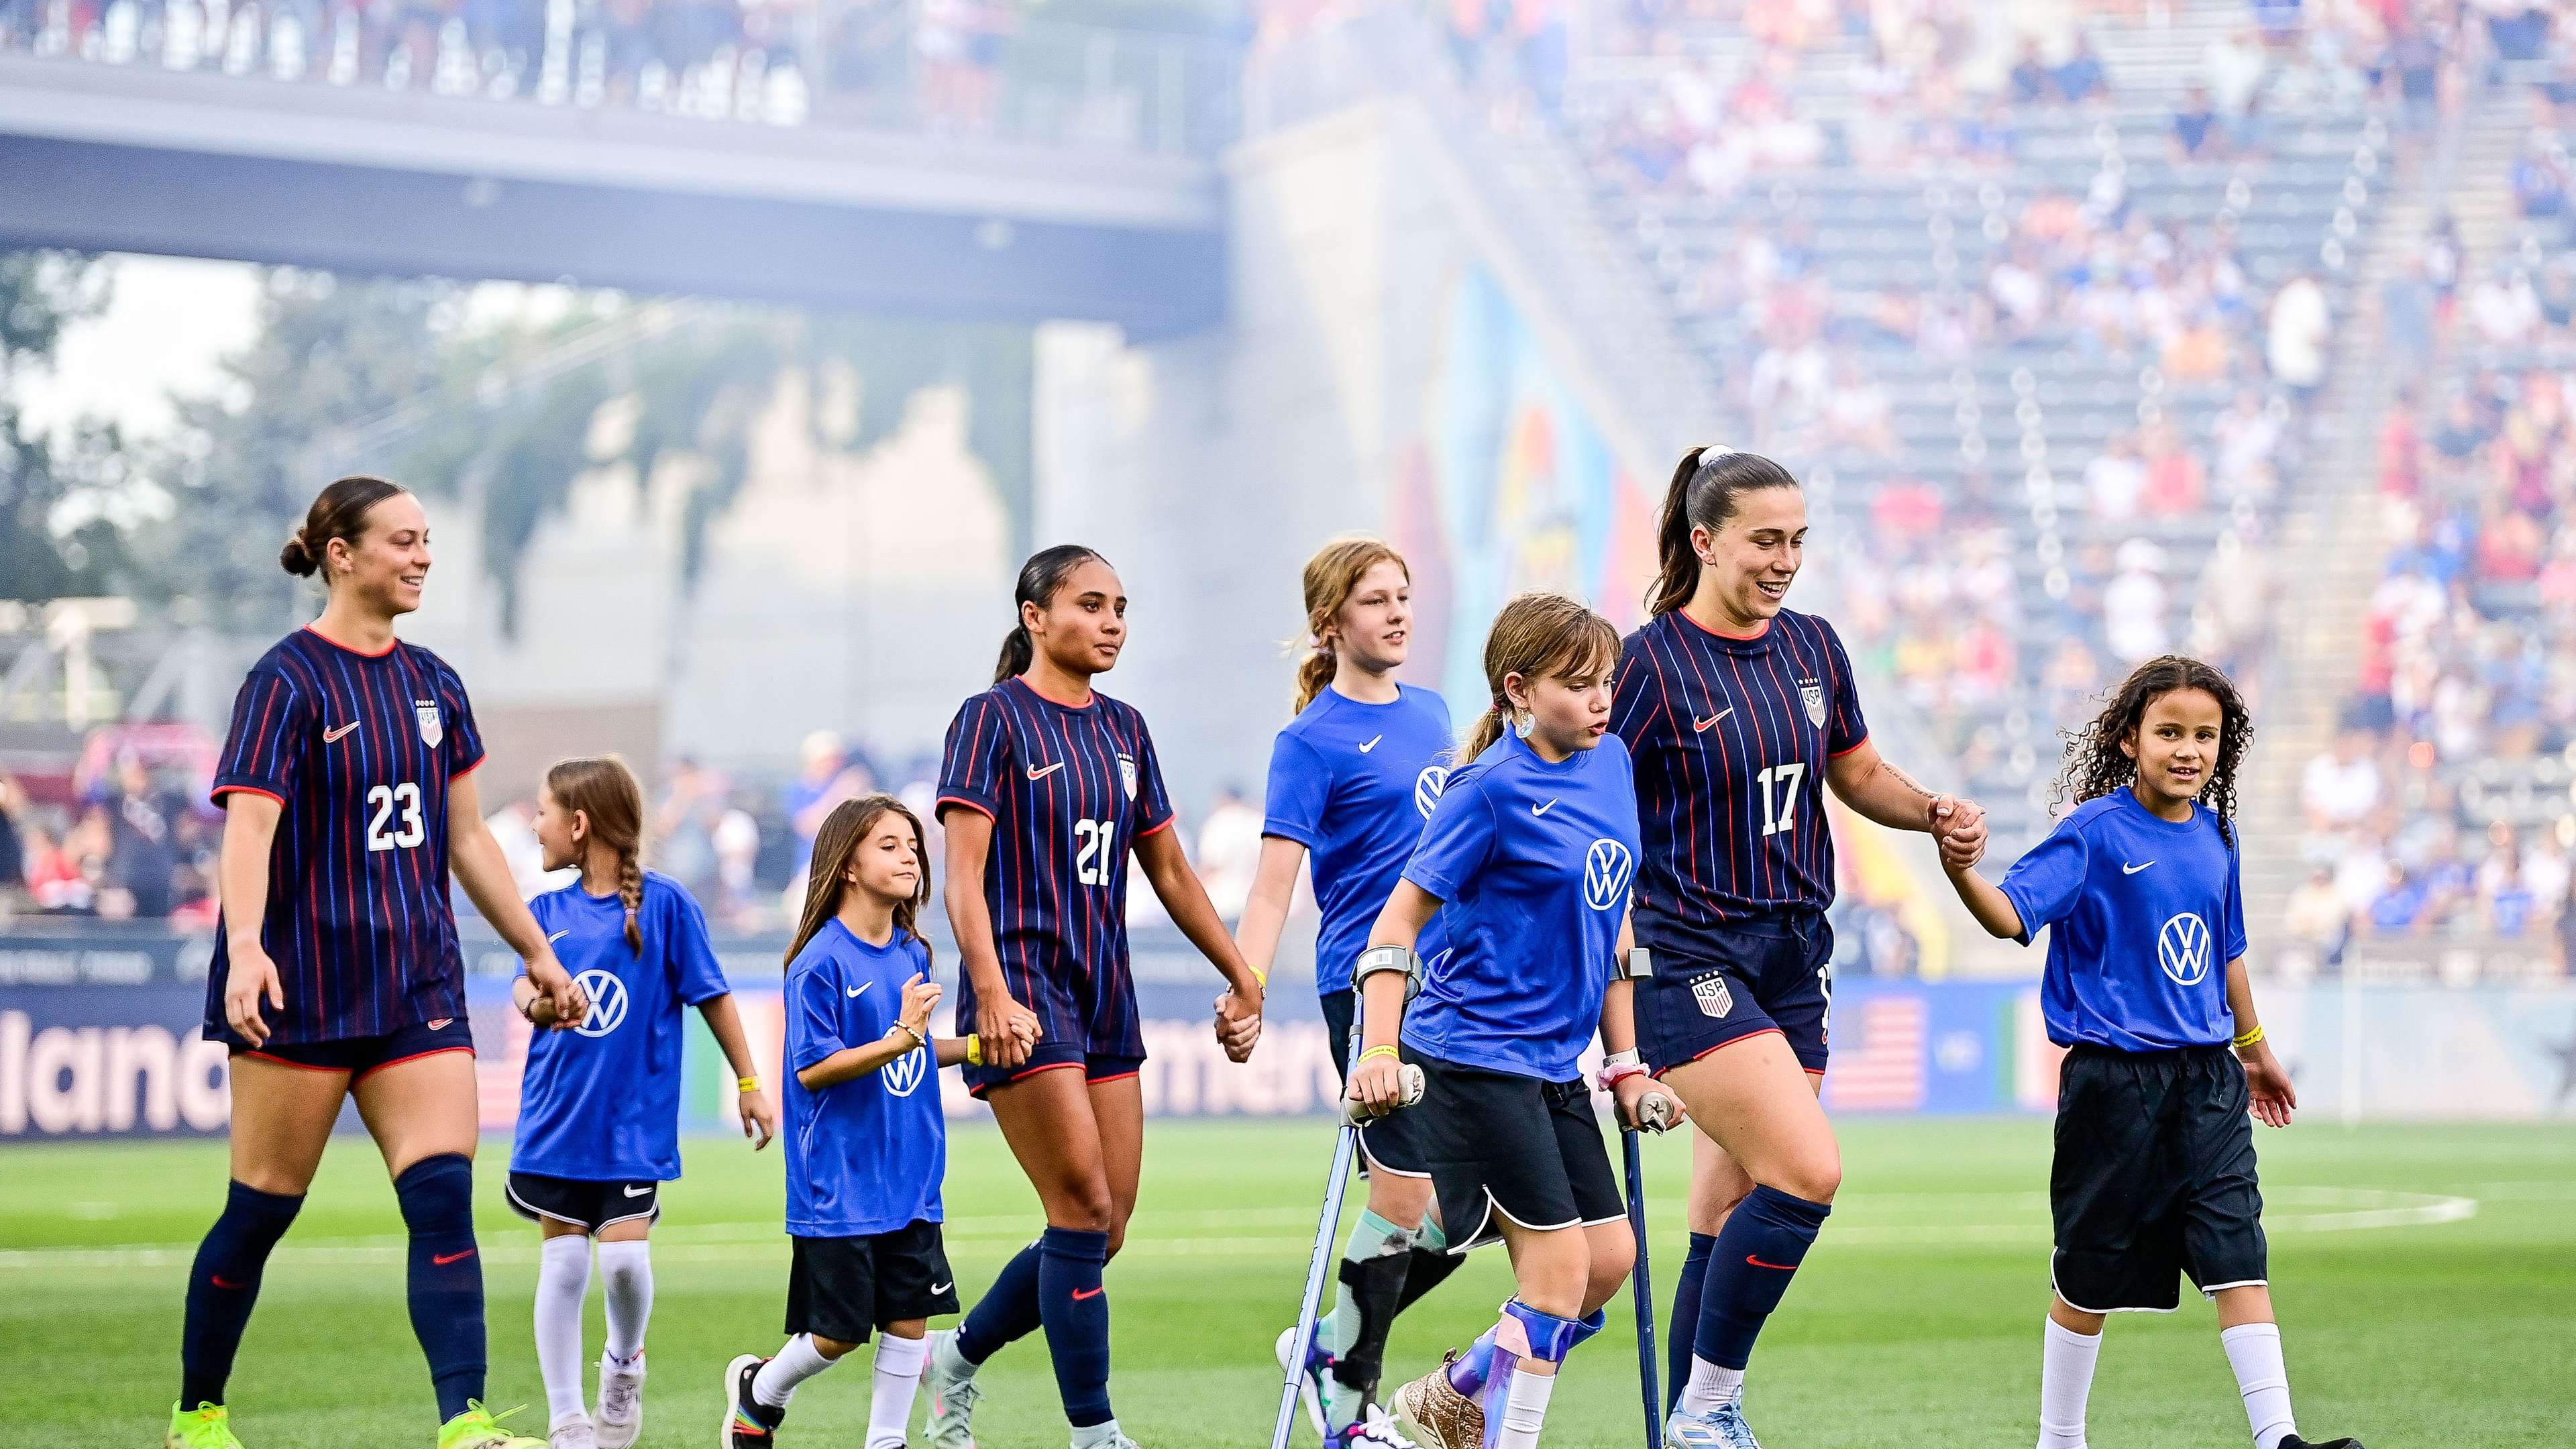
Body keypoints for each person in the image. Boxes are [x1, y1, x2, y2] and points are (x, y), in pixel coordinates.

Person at [172, 475, 588, 1449]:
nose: (423, 557)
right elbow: (250, 832)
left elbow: (470, 839)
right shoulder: (285, 681)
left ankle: (466, 1421)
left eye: (428, 541)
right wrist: (244, 952)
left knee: (442, 1196)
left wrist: (538, 954)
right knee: (259, 1213)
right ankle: (196, 1415)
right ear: (341, 554)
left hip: (418, 986)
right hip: (299, 986)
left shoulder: (435, 683)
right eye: (402, 541)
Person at [1609, 447, 1984, 1449]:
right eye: (1765, 540)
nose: (1786, 560)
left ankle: (1688, 1427)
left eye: (1798, 541)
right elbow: (1594, 804)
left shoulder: (1813, 645)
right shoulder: (1649, 665)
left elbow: (1854, 769)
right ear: (1704, 541)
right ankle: (1709, 1407)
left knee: (1724, 1211)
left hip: (1795, 955)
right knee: (1808, 1174)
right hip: (1691, 954)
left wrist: (1931, 811)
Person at [1939, 655, 2363, 1449]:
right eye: (2170, 731)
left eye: (2206, 735)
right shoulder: (2093, 835)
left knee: (2238, 1248)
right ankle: (2059, 1438)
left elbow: (2226, 950)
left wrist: (2256, 1049)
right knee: (2090, 1269)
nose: (2188, 749)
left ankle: (2279, 1438)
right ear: (2130, 739)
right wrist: (1961, 871)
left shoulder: (2217, 836)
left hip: (2208, 1080)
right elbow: (2008, 915)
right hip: (2113, 1084)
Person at [920, 545, 1265, 1449]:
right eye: (1090, 604)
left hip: (1106, 989)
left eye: (1120, 607)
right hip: (1025, 988)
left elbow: (1173, 872)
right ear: (1036, 616)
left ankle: (955, 1357)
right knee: (1077, 1207)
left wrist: (1242, 972)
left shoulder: (1126, 729)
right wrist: (989, 993)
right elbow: (961, 880)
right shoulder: (991, 720)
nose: (1112, 622)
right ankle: (1095, 1431)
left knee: (1104, 1229)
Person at [1356, 592, 1666, 1449]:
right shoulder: (1485, 791)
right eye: (1577, 684)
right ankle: (1495, 1435)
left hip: (1551, 1065)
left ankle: (1447, 1396)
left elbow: (1615, 917)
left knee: (1607, 1262)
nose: (1601, 699)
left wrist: (1627, 1061)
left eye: (1606, 681)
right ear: (1519, 689)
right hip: (1469, 1059)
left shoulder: (1613, 767)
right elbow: (1395, 927)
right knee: (1559, 1272)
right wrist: (1378, 1049)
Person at [1236, 538, 1461, 1440]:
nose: (1398, 612)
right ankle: (1350, 1407)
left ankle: (1331, 1342)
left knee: (1475, 1212)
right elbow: (1270, 887)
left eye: (1404, 595)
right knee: (1401, 1203)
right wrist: (1246, 986)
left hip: (1458, 987)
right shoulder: (1309, 742)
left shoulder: (1437, 708)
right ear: (1330, 626)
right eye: (1375, 600)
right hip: (1370, 989)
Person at [509, 755, 777, 1449]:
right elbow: (521, 989)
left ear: (579, 822)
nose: (535, 825)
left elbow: (713, 996)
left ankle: (624, 1364)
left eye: (542, 812)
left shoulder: (666, 905)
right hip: (557, 1121)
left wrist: (749, 1082)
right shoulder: (542, 913)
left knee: (625, 1263)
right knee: (565, 1264)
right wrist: (541, 1001)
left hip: (632, 1127)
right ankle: (568, 1418)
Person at [722, 794, 994, 1449]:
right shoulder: (818, 961)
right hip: (839, 1188)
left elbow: (917, 1050)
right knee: (838, 1334)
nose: (909, 857)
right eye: (890, 845)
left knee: (908, 1320)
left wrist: (985, 1046)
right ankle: (760, 1393)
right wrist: (902, 1034)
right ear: (847, 864)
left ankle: (885, 1441)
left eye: (912, 846)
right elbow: (814, 1070)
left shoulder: (911, 952)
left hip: (911, 1178)